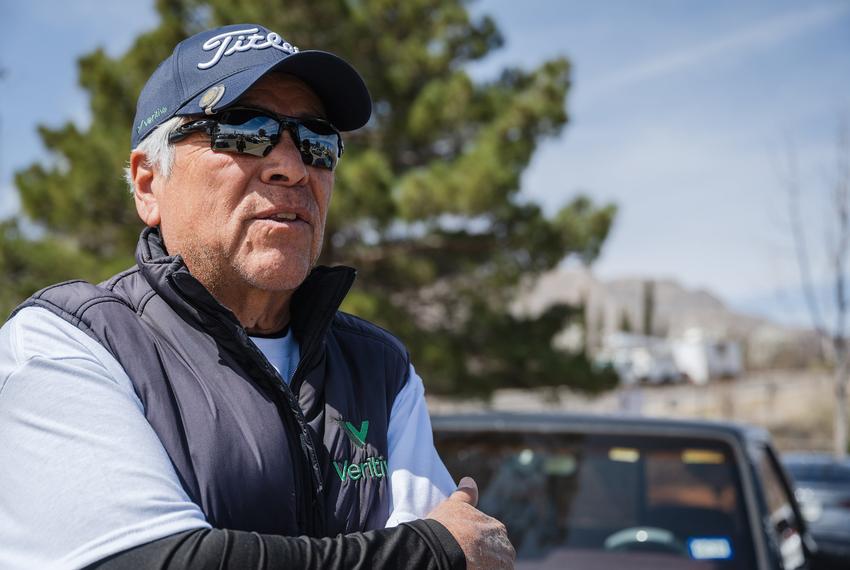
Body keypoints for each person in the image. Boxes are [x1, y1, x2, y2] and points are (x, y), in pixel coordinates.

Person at [0, 23, 515, 570]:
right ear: (149, 184)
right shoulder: (65, 344)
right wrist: (433, 552)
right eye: (242, 129)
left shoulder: (380, 370)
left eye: (316, 141)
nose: (292, 167)